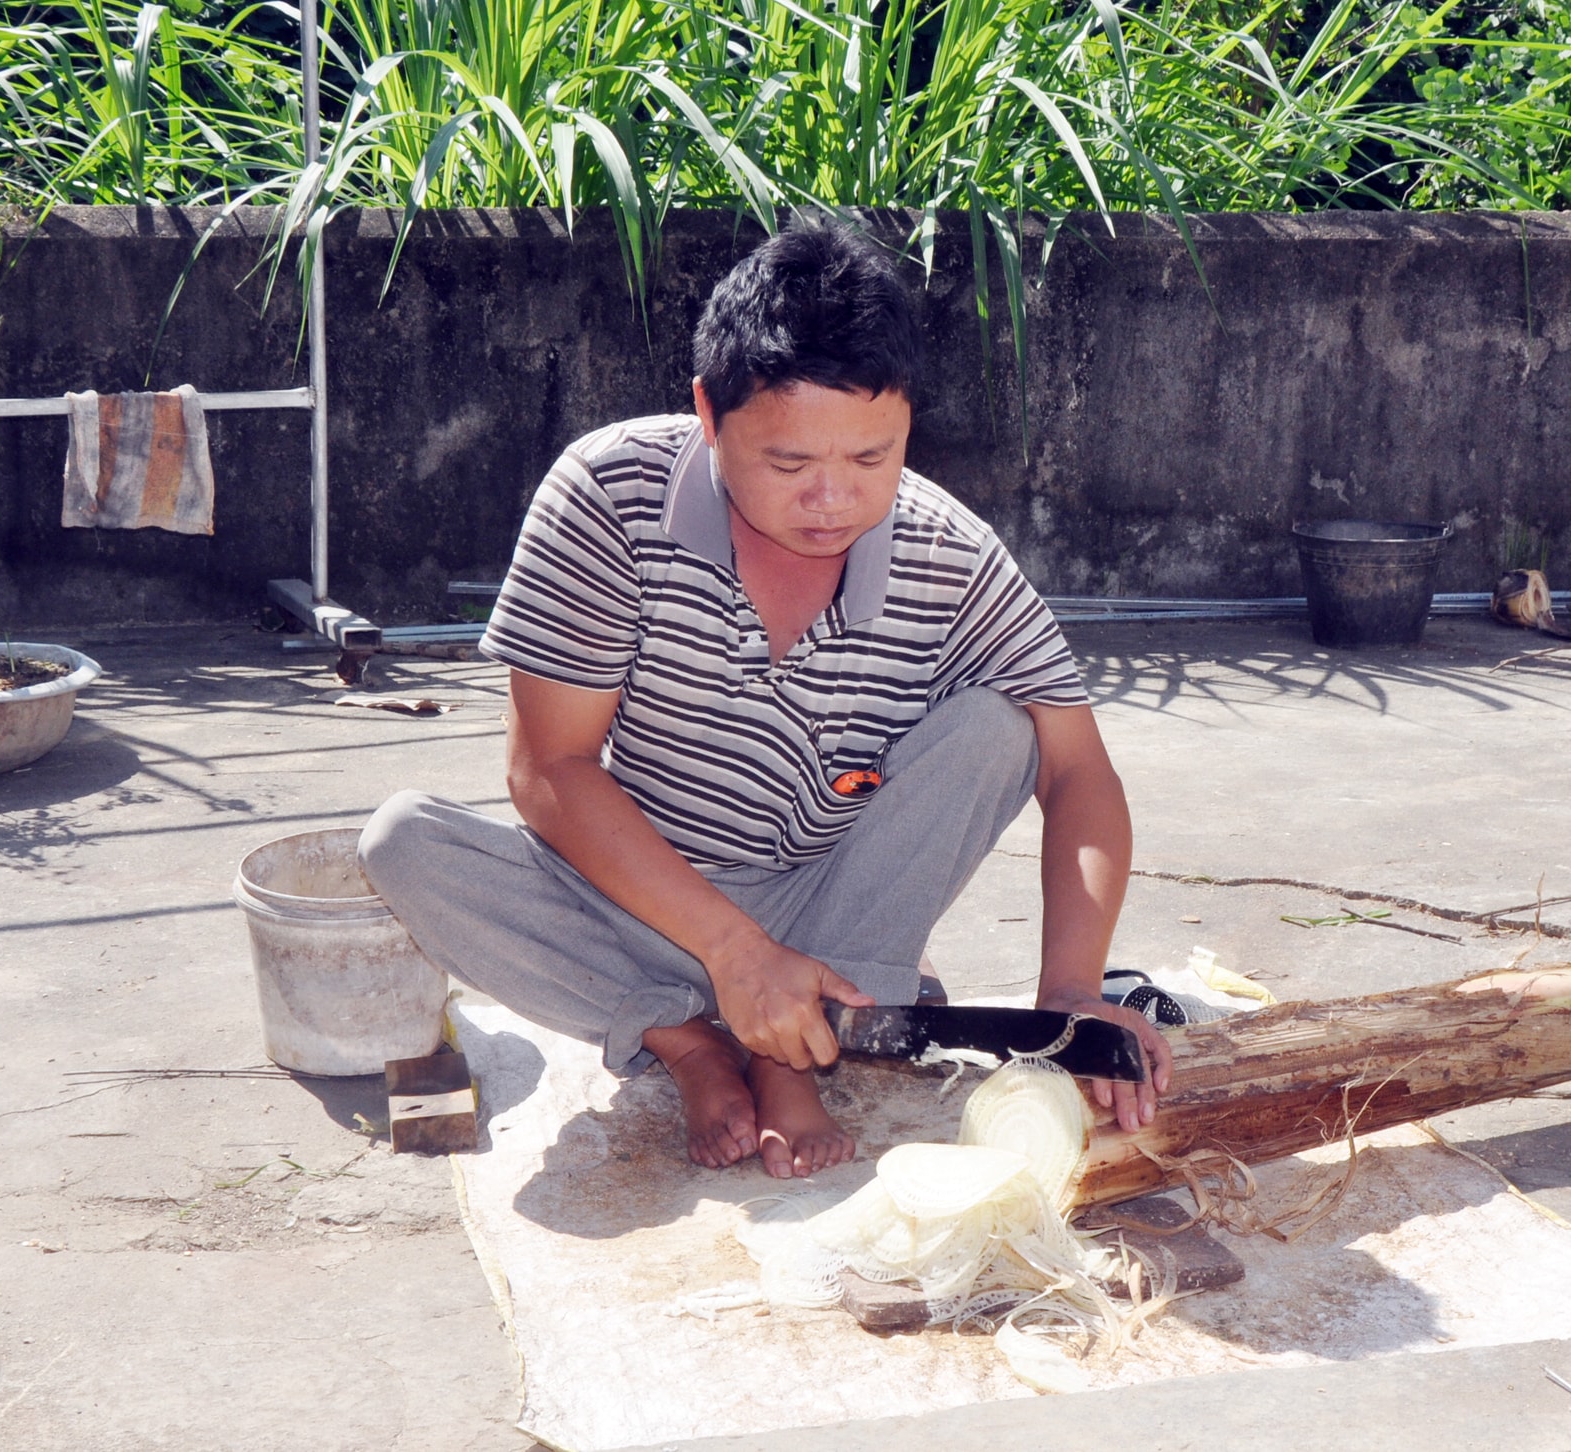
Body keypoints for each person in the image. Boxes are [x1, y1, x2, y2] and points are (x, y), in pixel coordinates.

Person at [359, 222, 1171, 1179]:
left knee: (1002, 730)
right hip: (638, 890)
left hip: (826, 903)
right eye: (789, 465)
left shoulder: (950, 556)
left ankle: (794, 1039)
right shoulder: (609, 493)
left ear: (910, 420)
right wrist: (733, 953)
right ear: (709, 412)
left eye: (873, 460)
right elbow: (548, 772)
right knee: (402, 842)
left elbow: (1080, 770)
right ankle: (691, 1040)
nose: (833, 499)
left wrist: (1071, 993)